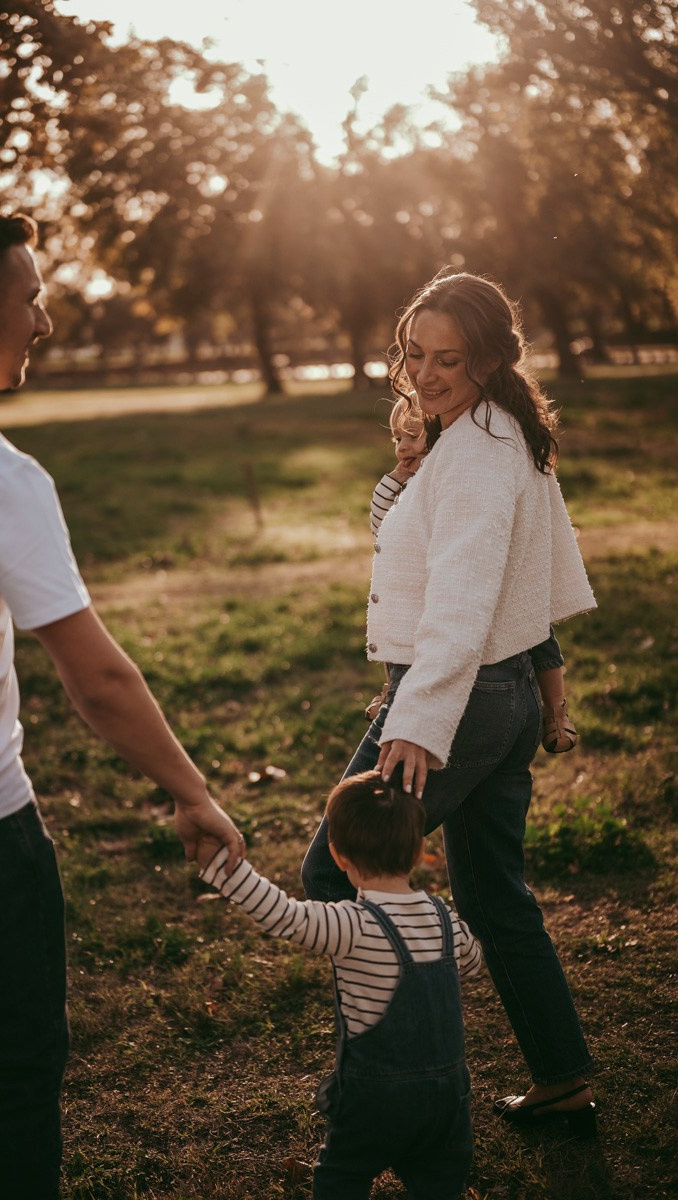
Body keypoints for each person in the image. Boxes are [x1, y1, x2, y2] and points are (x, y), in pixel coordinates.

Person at [0, 205, 243, 1200]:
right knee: (17, 1077)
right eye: (33, 299)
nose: (44, 322)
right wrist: (191, 791)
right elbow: (98, 678)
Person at [301, 270, 598, 1137]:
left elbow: (466, 598)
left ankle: (393, 1083)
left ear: (489, 357)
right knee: (496, 895)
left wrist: (418, 719)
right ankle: (563, 1075)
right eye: (415, 355)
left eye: (449, 360)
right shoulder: (493, 429)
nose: (425, 375)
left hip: (459, 705)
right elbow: (498, 574)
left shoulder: (478, 451)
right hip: (496, 700)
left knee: (333, 872)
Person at [198, 768, 482, 1200]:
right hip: (449, 1100)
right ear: (419, 848)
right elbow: (474, 962)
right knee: (439, 1183)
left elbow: (282, 914)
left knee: (343, 1178)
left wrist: (225, 870)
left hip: (375, 1100)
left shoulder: (349, 926)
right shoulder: (444, 921)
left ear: (338, 854)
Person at [366, 399, 579, 754]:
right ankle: (392, 691)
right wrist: (396, 479)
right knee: (396, 619)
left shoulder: (462, 467)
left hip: (498, 591)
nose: (403, 446)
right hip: (423, 587)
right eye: (396, 439)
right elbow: (380, 526)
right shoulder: (407, 486)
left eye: (413, 436)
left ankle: (555, 707)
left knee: (539, 631)